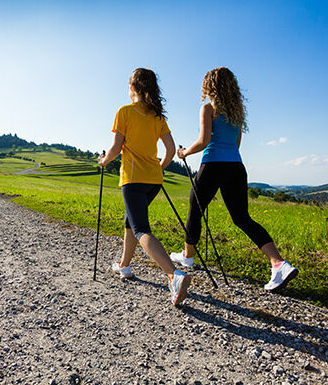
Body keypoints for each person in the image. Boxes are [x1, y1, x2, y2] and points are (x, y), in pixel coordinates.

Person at [172, 67, 298, 292]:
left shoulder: (208, 108)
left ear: (209, 86)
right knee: (242, 218)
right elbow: (236, 144)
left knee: (195, 207)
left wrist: (184, 153)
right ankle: (278, 263)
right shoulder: (237, 112)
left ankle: (188, 257)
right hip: (236, 167)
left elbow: (203, 140)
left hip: (212, 164)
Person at [98, 68, 191, 305]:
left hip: (132, 179)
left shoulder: (124, 112)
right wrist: (159, 167)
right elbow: (170, 150)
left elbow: (116, 147)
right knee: (131, 221)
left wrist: (103, 161)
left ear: (133, 88)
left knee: (141, 229)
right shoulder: (158, 117)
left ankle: (174, 275)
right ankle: (124, 265)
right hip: (154, 180)